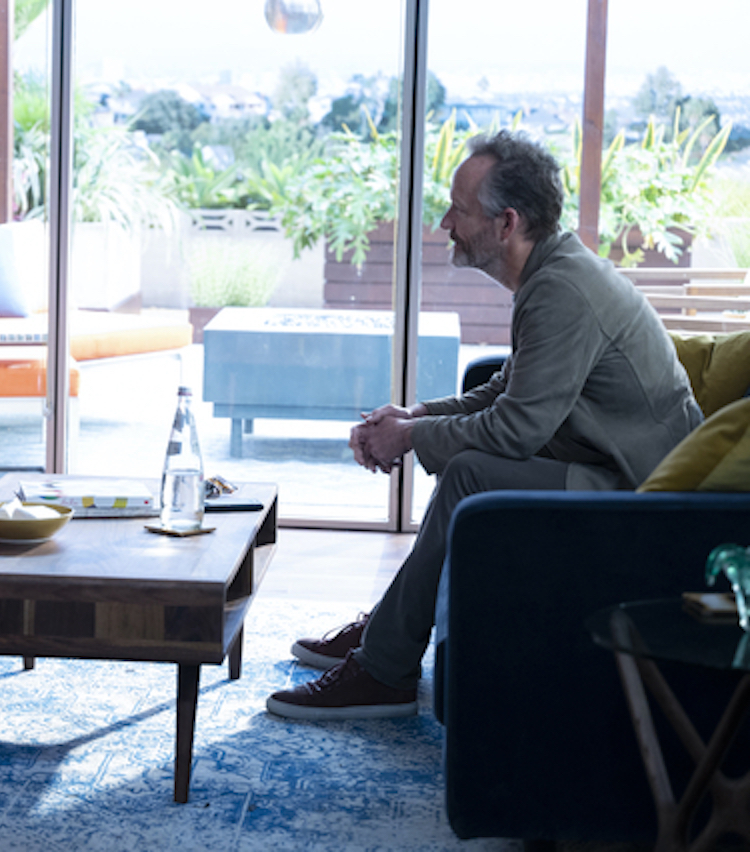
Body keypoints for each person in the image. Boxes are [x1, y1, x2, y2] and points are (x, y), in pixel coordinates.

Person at [267, 130, 703, 720]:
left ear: (507, 223)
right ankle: (391, 629)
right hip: (607, 468)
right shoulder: (551, 272)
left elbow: (515, 430)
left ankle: (384, 668)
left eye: (459, 210)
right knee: (467, 468)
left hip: (646, 496)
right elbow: (507, 389)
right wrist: (415, 415)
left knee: (471, 473)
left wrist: (411, 437)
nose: (445, 222)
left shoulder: (562, 290)